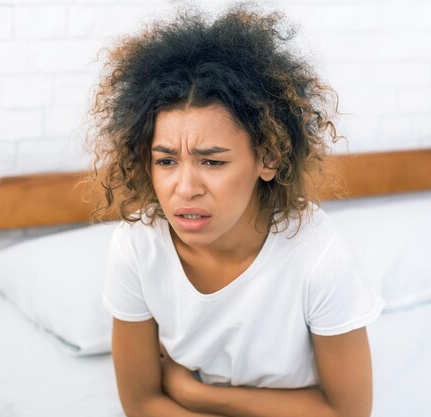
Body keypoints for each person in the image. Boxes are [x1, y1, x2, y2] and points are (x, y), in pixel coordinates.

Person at [88, 4, 384, 417]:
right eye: (166, 161)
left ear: (268, 158)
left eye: (213, 162)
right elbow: (140, 404)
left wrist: (198, 395)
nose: (185, 189)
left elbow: (349, 413)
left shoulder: (317, 257)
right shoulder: (138, 247)